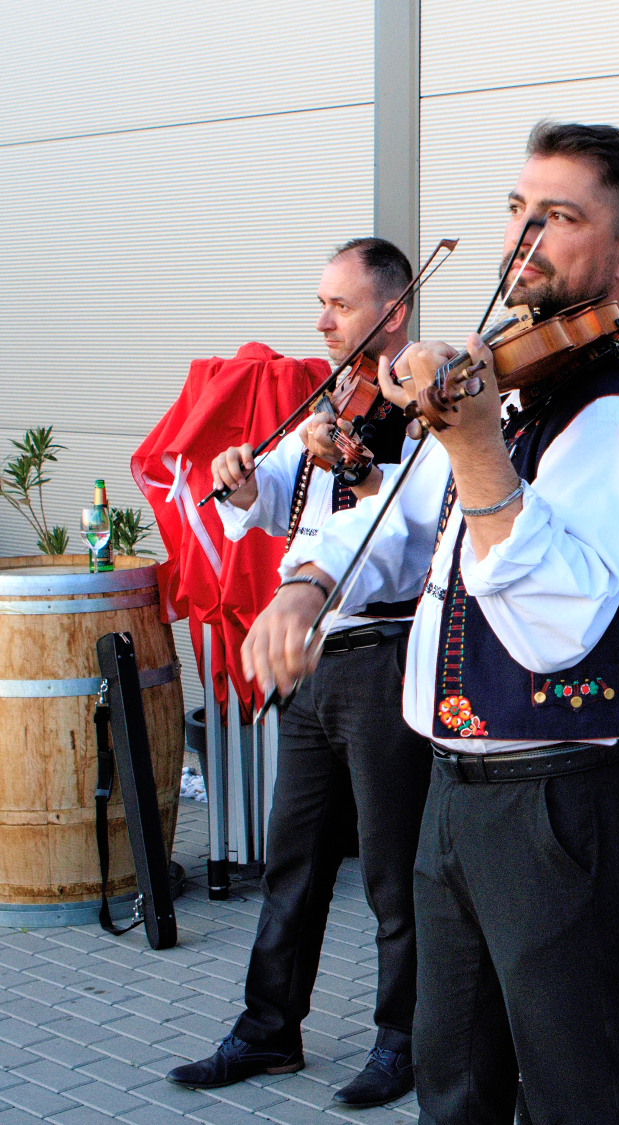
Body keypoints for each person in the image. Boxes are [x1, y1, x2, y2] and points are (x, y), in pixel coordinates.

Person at [241, 122, 619, 1125]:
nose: (525, 237)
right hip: (455, 784)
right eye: (518, 210)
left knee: (574, 1092)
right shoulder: (522, 382)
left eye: (560, 217)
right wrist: (309, 582)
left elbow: (553, 628)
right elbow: (410, 514)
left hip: (560, 798)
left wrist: (481, 448)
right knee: (452, 1079)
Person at [167, 238, 431, 1107]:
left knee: (393, 869)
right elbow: (275, 495)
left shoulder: (429, 407)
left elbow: (404, 531)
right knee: (295, 858)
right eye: (321, 302)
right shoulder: (329, 397)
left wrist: (354, 464)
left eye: (340, 305)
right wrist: (244, 480)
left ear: (393, 311)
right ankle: (268, 1028)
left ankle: (404, 1040)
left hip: (384, 656)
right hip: (312, 661)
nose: (322, 321)